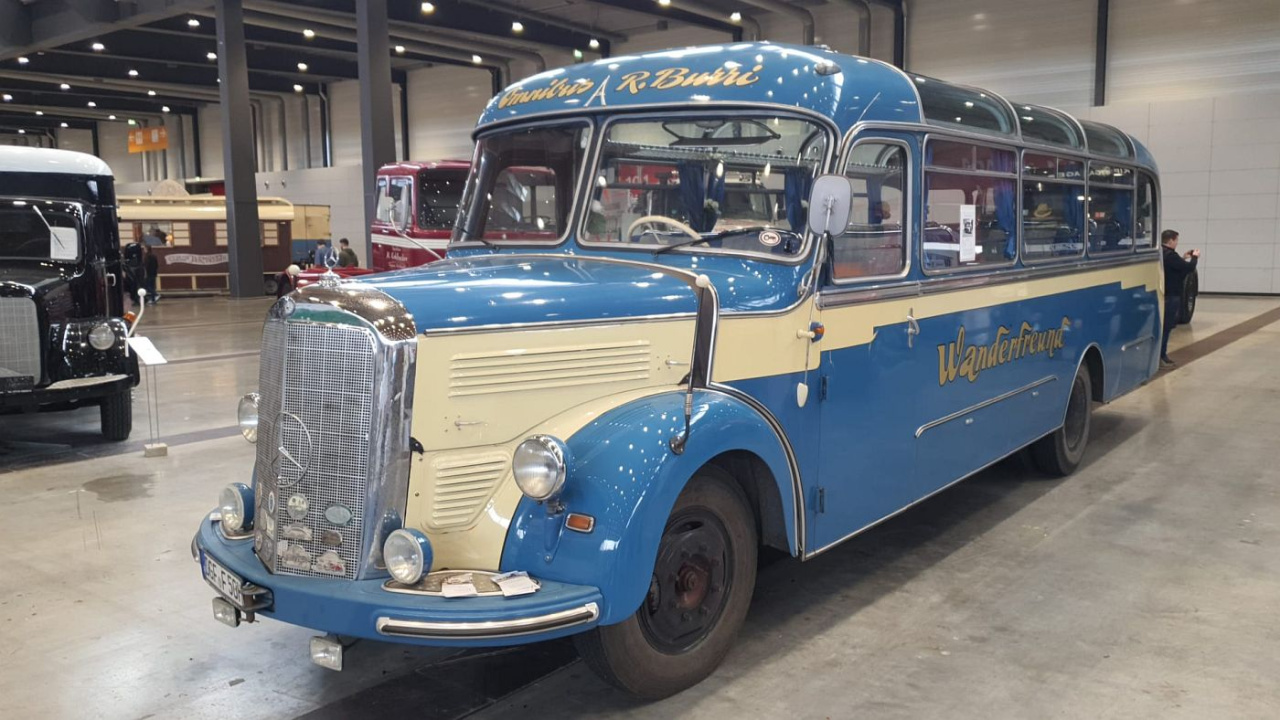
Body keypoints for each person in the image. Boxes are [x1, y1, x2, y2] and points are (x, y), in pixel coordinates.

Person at [1160, 229, 1200, 367]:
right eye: (1176, 240)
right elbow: (1189, 268)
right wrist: (1195, 257)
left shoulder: (1160, 253)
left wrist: (1183, 258)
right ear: (1171, 240)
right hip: (1171, 296)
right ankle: (1162, 356)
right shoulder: (1171, 256)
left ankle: (1159, 355)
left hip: (1163, 294)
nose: (1177, 243)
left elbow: (1175, 267)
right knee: (1167, 328)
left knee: (1162, 327)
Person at [122, 236, 145, 308]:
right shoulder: (138, 265)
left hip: (134, 280)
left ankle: (136, 299)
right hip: (136, 280)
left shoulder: (129, 265)